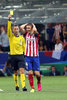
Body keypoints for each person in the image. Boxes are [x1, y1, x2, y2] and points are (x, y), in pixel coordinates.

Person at [7, 14, 27, 91]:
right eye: (14, 29)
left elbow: (24, 47)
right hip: (13, 56)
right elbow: (8, 29)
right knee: (15, 72)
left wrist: (25, 54)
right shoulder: (11, 37)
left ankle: (24, 86)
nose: (16, 30)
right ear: (13, 30)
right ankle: (17, 85)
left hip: (21, 56)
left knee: (22, 70)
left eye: (17, 29)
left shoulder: (22, 38)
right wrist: (9, 20)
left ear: (19, 30)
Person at [20, 23, 42, 92]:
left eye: (29, 28)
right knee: (30, 72)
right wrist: (27, 24)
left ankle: (38, 82)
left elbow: (35, 30)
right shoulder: (25, 34)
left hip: (35, 57)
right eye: (27, 28)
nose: (27, 29)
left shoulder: (36, 35)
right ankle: (32, 87)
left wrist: (32, 25)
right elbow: (21, 27)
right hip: (27, 57)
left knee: (37, 74)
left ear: (32, 28)